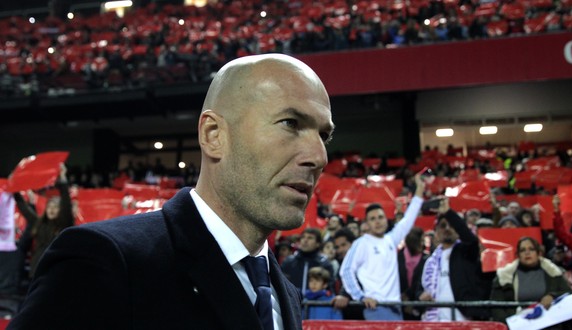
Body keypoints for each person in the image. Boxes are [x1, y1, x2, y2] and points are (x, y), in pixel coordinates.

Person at [8, 53, 334, 330]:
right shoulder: (105, 260)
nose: (319, 157)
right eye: (291, 123)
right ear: (213, 134)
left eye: (324, 135)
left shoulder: (286, 291)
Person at [339, 173, 425, 321]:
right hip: (376, 308)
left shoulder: (390, 240)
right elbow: (346, 270)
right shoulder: (361, 243)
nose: (377, 221)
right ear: (366, 224)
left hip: (396, 308)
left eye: (380, 217)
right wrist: (360, 296)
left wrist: (420, 190)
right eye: (372, 219)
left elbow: (409, 218)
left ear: (386, 220)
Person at [418, 198, 490, 321]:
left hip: (463, 319)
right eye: (442, 226)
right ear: (436, 233)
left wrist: (448, 213)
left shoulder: (466, 252)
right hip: (435, 321)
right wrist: (420, 297)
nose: (447, 228)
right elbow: (417, 289)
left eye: (451, 225)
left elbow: (471, 240)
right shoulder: (428, 261)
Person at [490, 237, 572, 325]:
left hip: (549, 324)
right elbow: (496, 306)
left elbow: (569, 294)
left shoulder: (553, 272)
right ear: (518, 255)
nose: (527, 253)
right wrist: (510, 324)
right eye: (522, 250)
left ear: (538, 253)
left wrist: (553, 296)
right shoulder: (505, 276)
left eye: (531, 249)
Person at [12, 164, 74, 278]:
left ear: (61, 211)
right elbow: (23, 208)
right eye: (49, 206)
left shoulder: (65, 224)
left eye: (55, 207)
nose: (51, 209)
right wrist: (14, 188)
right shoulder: (38, 222)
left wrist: (62, 178)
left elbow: (66, 202)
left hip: (56, 271)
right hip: (37, 271)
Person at [281, 228, 335, 294]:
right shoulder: (289, 261)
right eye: (303, 237)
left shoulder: (324, 264)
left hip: (316, 303)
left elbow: (329, 287)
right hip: (292, 302)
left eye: (310, 238)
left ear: (318, 243)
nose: (305, 240)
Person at [398, 226, 429, 320]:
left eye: (423, 241)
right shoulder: (396, 258)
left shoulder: (427, 259)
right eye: (420, 241)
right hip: (399, 306)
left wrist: (414, 303)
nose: (422, 244)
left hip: (419, 307)